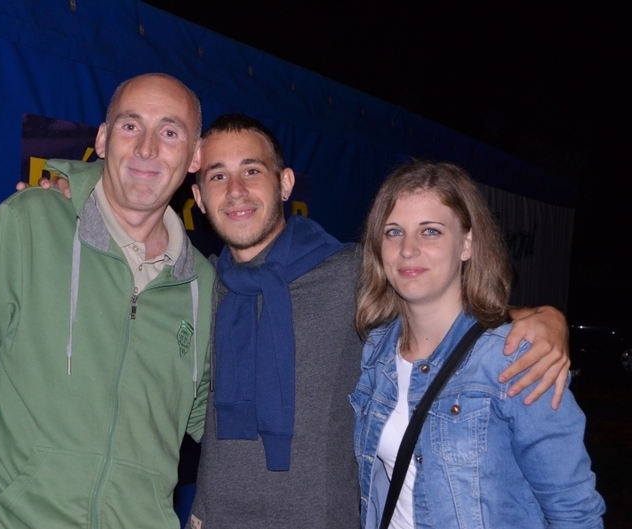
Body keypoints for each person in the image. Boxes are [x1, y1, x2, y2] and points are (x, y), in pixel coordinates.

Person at [184, 115, 571, 529]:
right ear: (199, 197)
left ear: (285, 183)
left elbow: (449, 312)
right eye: (218, 175)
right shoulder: (201, 285)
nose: (236, 190)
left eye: (252, 170)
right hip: (213, 518)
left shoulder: (350, 272)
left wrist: (546, 319)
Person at [0, 74, 215, 529]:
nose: (147, 148)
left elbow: (216, 423)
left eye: (170, 131)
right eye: (131, 126)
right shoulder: (29, 220)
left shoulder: (204, 281)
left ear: (195, 156)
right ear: (102, 139)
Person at [350, 161, 603, 528]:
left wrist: (551, 318)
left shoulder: (515, 359)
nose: (407, 249)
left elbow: (575, 513)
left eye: (431, 231)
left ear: (466, 244)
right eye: (394, 232)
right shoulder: (376, 353)